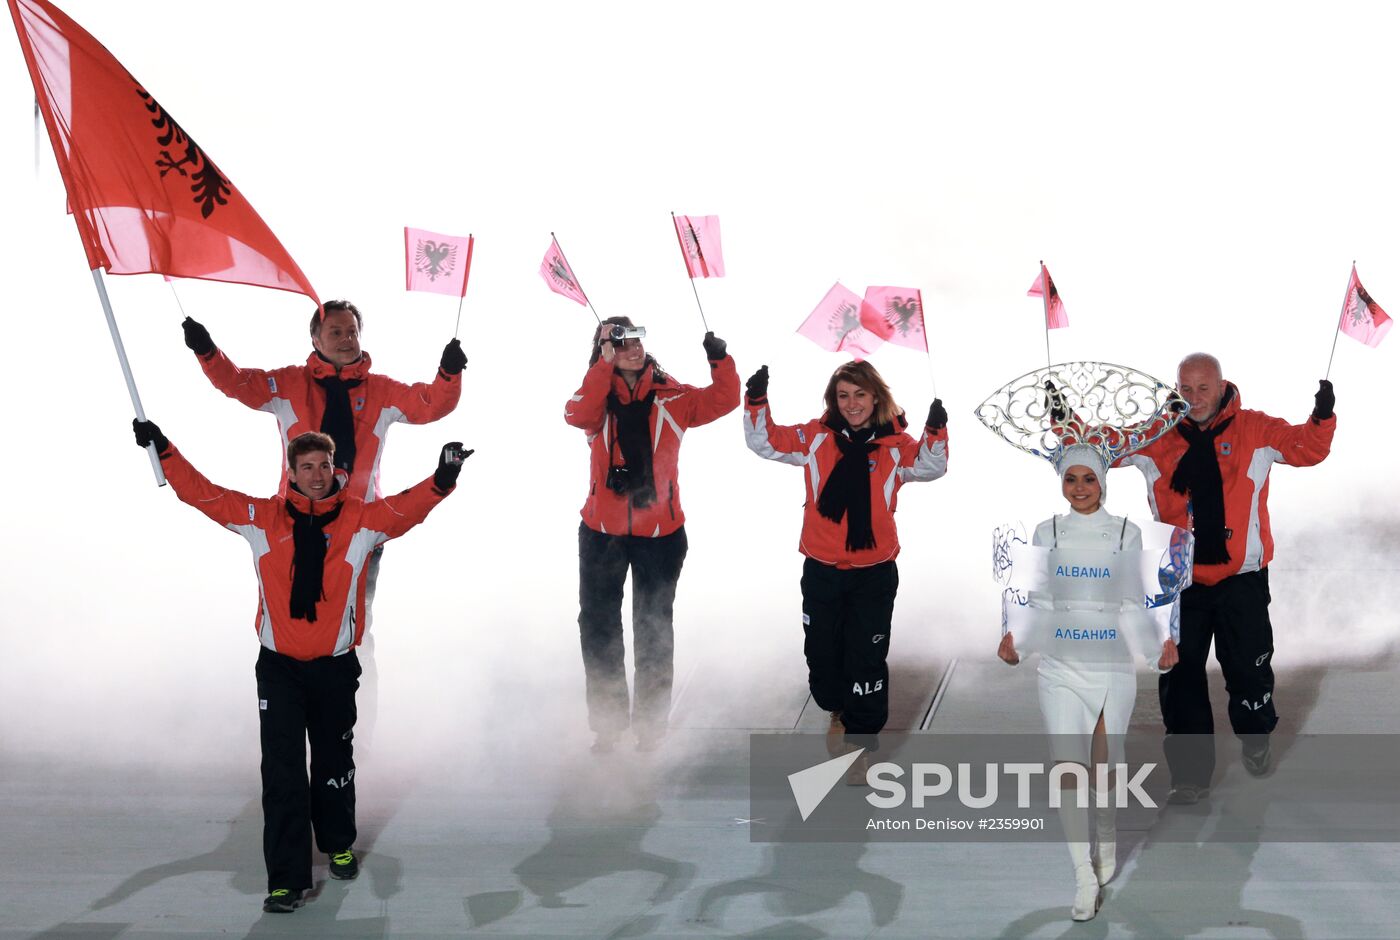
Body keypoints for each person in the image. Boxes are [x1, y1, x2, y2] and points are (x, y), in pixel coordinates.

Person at [131, 419, 468, 913]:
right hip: (280, 670)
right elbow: (203, 494)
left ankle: (339, 844)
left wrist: (443, 476)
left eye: (324, 466)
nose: (316, 474)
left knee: (334, 763)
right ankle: (286, 880)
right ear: (290, 472)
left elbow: (405, 510)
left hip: (334, 668)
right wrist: (163, 448)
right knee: (284, 773)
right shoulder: (261, 517)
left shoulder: (360, 521)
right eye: (306, 466)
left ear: (337, 470)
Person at [181, 300, 466, 739]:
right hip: (292, 528)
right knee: (293, 631)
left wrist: (448, 372)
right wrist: (206, 350)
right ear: (315, 338)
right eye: (335, 332)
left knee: (353, 634)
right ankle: (292, 726)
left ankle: (354, 736)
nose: (346, 339)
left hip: (359, 532)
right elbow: (238, 384)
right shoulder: (289, 384)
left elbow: (430, 405)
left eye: (352, 331)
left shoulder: (382, 390)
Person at [1118, 353, 1335, 803]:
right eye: (1186, 389)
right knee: (1180, 679)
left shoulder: (1255, 428)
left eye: (1203, 389)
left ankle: (1256, 737)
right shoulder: (1156, 434)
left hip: (1242, 580)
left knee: (1247, 671)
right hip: (1178, 580)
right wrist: (1063, 416)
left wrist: (1322, 416)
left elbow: (1306, 448)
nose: (1194, 398)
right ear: (1176, 388)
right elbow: (1098, 446)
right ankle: (1189, 777)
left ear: (1221, 388)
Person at [743, 360, 949, 782]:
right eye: (843, 396)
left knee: (867, 658)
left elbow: (932, 466)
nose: (852, 404)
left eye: (859, 394)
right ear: (833, 401)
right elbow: (763, 442)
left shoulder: (896, 446)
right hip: (821, 570)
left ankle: (859, 742)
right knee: (822, 656)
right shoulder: (815, 438)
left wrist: (935, 430)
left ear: (876, 397)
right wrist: (757, 399)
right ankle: (837, 708)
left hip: (873, 573)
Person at [998, 443, 1179, 921]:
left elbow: (1134, 600)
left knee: (1105, 766)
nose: (1079, 488)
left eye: (1089, 479)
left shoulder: (1126, 532)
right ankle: (1082, 875)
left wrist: (1157, 647)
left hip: (1110, 663)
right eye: (1071, 479)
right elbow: (1033, 598)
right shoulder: (1046, 531)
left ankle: (1107, 831)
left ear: (1103, 482)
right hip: (1059, 665)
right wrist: (1014, 638)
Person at [564, 318, 739, 753]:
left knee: (654, 627)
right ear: (603, 349)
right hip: (602, 532)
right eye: (619, 342)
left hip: (661, 533)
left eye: (636, 339)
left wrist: (720, 358)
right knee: (599, 628)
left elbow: (724, 399)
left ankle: (650, 728)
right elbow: (577, 415)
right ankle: (607, 727)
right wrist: (603, 366)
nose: (632, 348)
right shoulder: (595, 396)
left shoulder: (672, 396)